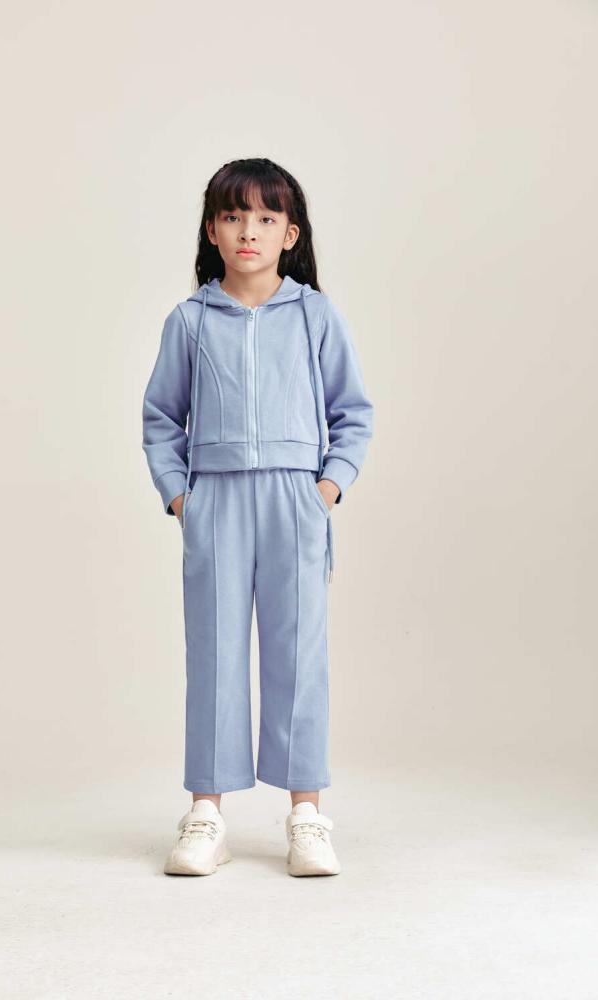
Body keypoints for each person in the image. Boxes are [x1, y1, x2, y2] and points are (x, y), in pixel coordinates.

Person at [141, 157, 374, 877]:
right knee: (213, 654)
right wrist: (181, 497)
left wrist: (326, 489)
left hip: (293, 501)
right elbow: (160, 419)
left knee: (299, 654)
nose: (250, 230)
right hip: (216, 501)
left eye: (267, 218)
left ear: (289, 234)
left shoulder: (313, 315)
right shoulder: (189, 321)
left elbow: (352, 413)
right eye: (234, 216)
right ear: (212, 230)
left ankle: (305, 816)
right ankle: (206, 815)